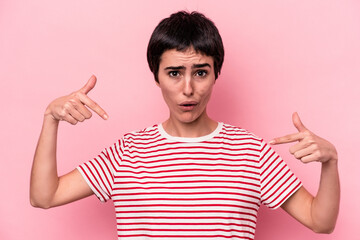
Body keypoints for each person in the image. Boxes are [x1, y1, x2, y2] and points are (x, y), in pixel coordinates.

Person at [30, 11, 340, 239]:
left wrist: (330, 162)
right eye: (175, 73)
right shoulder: (128, 152)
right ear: (157, 76)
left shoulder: (251, 151)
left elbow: (320, 221)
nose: (188, 89)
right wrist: (50, 119)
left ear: (216, 73)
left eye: (201, 73)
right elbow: (44, 196)